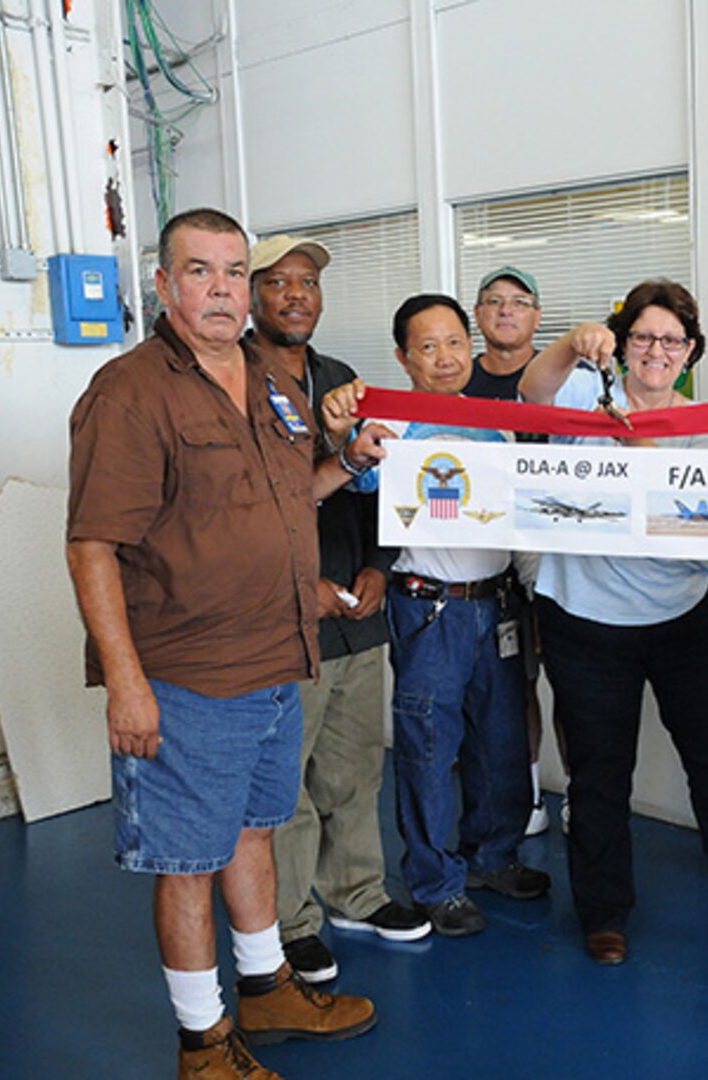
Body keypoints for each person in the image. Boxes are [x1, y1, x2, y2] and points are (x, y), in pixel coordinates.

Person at [67, 208, 384, 1077]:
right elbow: (93, 544)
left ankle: (269, 987)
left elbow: (294, 496)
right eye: (199, 271)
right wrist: (126, 682)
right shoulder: (130, 392)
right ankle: (202, 1042)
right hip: (186, 677)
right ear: (164, 285)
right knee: (187, 861)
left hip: (278, 660)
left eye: (234, 272)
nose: (220, 289)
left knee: (252, 834)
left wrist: (350, 463)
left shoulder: (267, 380)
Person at [519, 279, 708, 966]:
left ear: (691, 351)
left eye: (672, 340)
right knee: (601, 769)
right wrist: (571, 343)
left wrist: (651, 479)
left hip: (685, 611)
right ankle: (604, 912)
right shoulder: (585, 394)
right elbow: (531, 391)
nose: (656, 351)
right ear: (623, 341)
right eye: (642, 337)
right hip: (584, 613)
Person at [324, 294, 550, 938]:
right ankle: (435, 882)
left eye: (454, 342)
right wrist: (350, 431)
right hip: (429, 611)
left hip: (499, 601)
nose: (444, 358)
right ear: (403, 357)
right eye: (427, 346)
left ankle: (492, 857)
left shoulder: (494, 419)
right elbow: (360, 479)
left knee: (502, 743)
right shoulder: (393, 425)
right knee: (428, 749)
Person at [248, 235, 431, 986]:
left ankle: (357, 892)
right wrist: (305, 586)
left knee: (354, 769)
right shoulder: (235, 383)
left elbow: (383, 481)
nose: (297, 295)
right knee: (283, 783)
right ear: (251, 294)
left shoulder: (344, 381)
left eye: (309, 283)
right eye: (279, 282)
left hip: (358, 612)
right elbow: (246, 509)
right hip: (281, 619)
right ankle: (291, 923)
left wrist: (379, 566)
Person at [464, 265, 553, 837]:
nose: (505, 311)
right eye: (493, 301)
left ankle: (575, 798)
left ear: (537, 317)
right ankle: (530, 795)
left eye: (518, 301)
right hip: (483, 558)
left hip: (555, 553)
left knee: (569, 683)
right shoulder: (458, 385)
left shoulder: (562, 379)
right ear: (478, 315)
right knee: (508, 683)